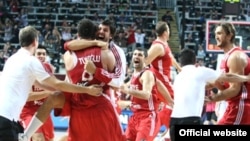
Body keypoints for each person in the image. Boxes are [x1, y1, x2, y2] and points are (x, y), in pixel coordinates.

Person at [21, 19, 125, 141]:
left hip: (78, 102)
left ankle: (26, 135)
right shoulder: (106, 53)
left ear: (78, 35)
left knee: (54, 97)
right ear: (94, 35)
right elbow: (116, 84)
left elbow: (68, 80)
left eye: (105, 30)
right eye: (100, 29)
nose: (101, 32)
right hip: (100, 101)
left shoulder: (68, 55)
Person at [0, 26, 102, 141]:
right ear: (35, 42)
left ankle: (25, 135)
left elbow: (46, 85)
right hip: (6, 119)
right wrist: (87, 90)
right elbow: (56, 84)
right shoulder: (31, 61)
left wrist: (65, 91)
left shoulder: (12, 59)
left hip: (9, 118)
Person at [169, 48, 250, 141]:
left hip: (173, 121)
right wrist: (246, 78)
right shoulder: (199, 71)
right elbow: (227, 77)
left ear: (180, 63)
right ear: (195, 61)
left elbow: (202, 86)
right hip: (191, 120)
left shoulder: (178, 77)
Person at [119, 47, 173, 141]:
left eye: (140, 55)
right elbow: (158, 83)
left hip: (148, 117)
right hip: (135, 116)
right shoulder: (134, 75)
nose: (137, 56)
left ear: (145, 59)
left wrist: (127, 90)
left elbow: (146, 94)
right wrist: (169, 100)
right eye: (135, 54)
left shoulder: (147, 73)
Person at [206, 22, 250, 124]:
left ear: (229, 36)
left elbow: (235, 89)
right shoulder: (226, 57)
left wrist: (211, 99)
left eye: (220, 33)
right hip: (233, 105)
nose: (216, 36)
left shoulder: (235, 56)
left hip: (240, 105)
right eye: (215, 34)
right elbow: (222, 85)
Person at [144, 21, 181, 139]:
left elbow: (171, 58)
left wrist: (179, 68)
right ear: (165, 32)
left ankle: (160, 135)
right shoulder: (158, 46)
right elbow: (144, 62)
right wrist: (147, 79)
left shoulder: (164, 45)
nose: (170, 32)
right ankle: (167, 135)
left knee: (162, 110)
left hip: (165, 82)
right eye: (169, 30)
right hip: (161, 84)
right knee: (177, 108)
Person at [20, 45, 55, 141]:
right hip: (28, 111)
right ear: (33, 56)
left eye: (44, 54)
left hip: (43, 110)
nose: (41, 56)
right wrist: (49, 92)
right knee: (38, 137)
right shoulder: (27, 70)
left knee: (49, 138)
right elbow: (29, 96)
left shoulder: (49, 69)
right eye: (39, 53)